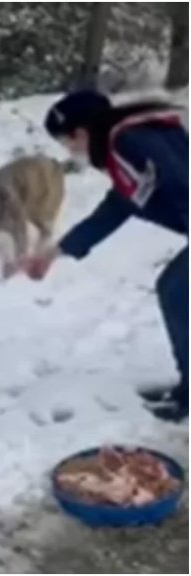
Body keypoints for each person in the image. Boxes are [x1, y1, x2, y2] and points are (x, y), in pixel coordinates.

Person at [25, 89, 188, 423]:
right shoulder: (132, 139)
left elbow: (175, 178)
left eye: (67, 143)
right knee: (174, 290)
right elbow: (118, 206)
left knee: (175, 292)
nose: (71, 152)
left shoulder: (126, 141)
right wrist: (57, 251)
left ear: (81, 133)